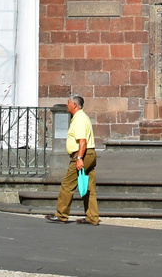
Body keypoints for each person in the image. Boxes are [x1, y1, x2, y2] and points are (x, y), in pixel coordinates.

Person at [48, 94, 99, 225]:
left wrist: (79, 158)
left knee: (67, 184)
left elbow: (82, 142)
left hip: (83, 154)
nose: (67, 105)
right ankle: (92, 217)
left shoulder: (79, 119)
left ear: (75, 105)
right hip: (90, 154)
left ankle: (61, 214)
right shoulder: (82, 117)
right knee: (88, 187)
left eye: (68, 102)